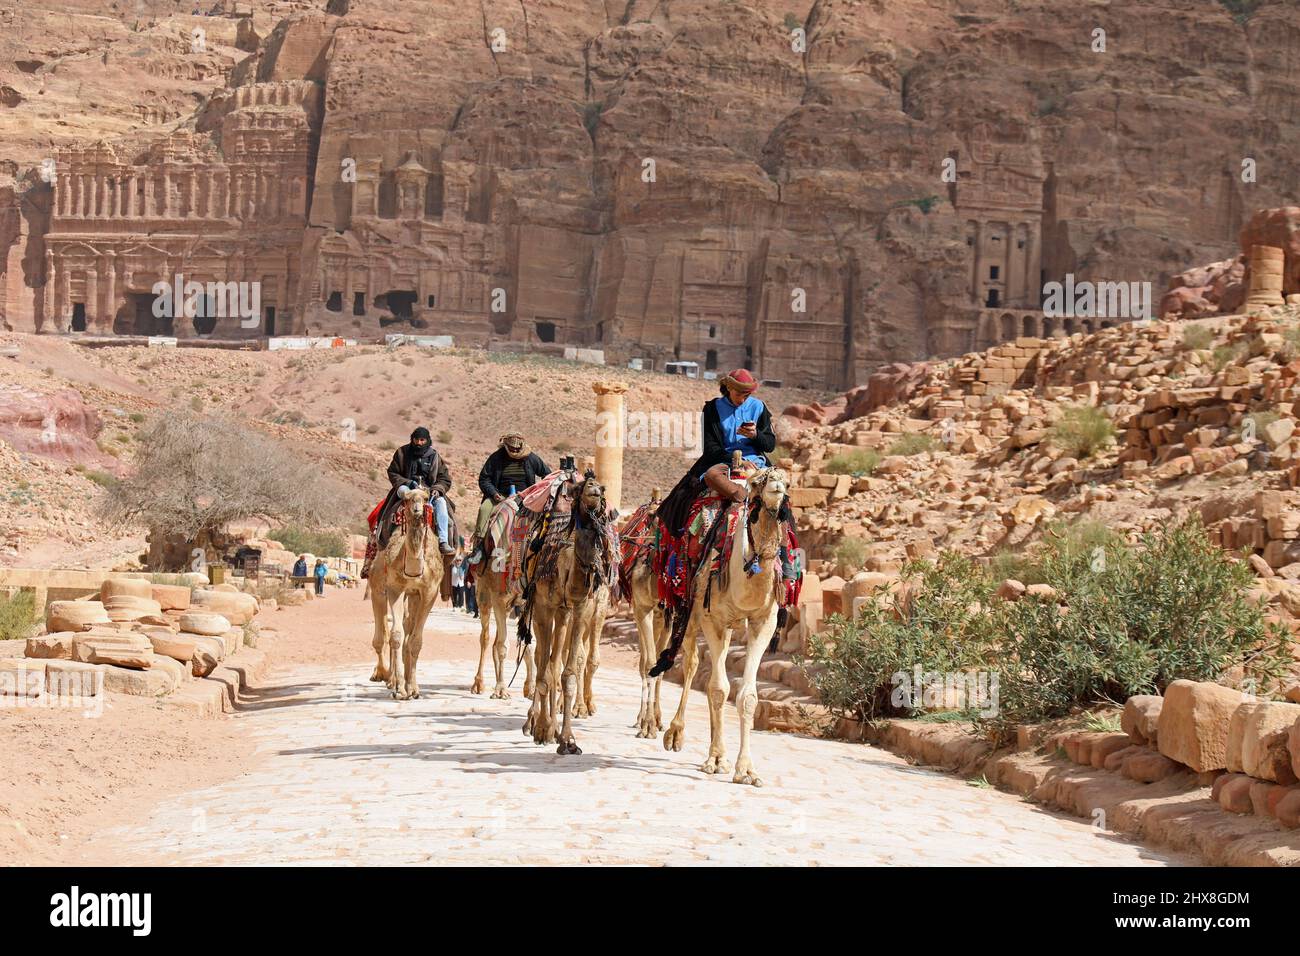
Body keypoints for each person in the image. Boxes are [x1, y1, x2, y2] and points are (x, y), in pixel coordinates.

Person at [657, 367, 776, 531]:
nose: (742, 400)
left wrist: (756, 435)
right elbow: (710, 448)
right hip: (723, 461)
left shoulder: (759, 407)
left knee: (779, 492)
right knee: (710, 477)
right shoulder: (712, 409)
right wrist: (738, 462)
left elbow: (770, 445)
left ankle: (783, 552)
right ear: (729, 388)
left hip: (755, 463)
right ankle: (742, 498)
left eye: (746, 396)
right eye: (738, 395)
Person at [362, 427, 455, 578]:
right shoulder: (402, 453)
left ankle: (444, 541)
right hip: (406, 489)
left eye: (422, 440)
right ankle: (384, 539)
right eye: (416, 440)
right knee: (386, 511)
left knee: (443, 506)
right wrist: (406, 483)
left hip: (428, 492)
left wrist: (437, 489)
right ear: (412, 439)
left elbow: (444, 478)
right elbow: (393, 472)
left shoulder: (435, 457)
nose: (419, 443)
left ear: (427, 440)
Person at [467, 433, 550, 564]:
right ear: (506, 446)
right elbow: (484, 478)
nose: (515, 451)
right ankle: (479, 548)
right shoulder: (496, 458)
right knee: (484, 509)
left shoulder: (531, 458)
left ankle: (544, 548)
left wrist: (537, 492)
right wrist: (494, 493)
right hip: (500, 496)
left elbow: (547, 475)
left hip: (525, 498)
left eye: (518, 449)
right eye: (512, 449)